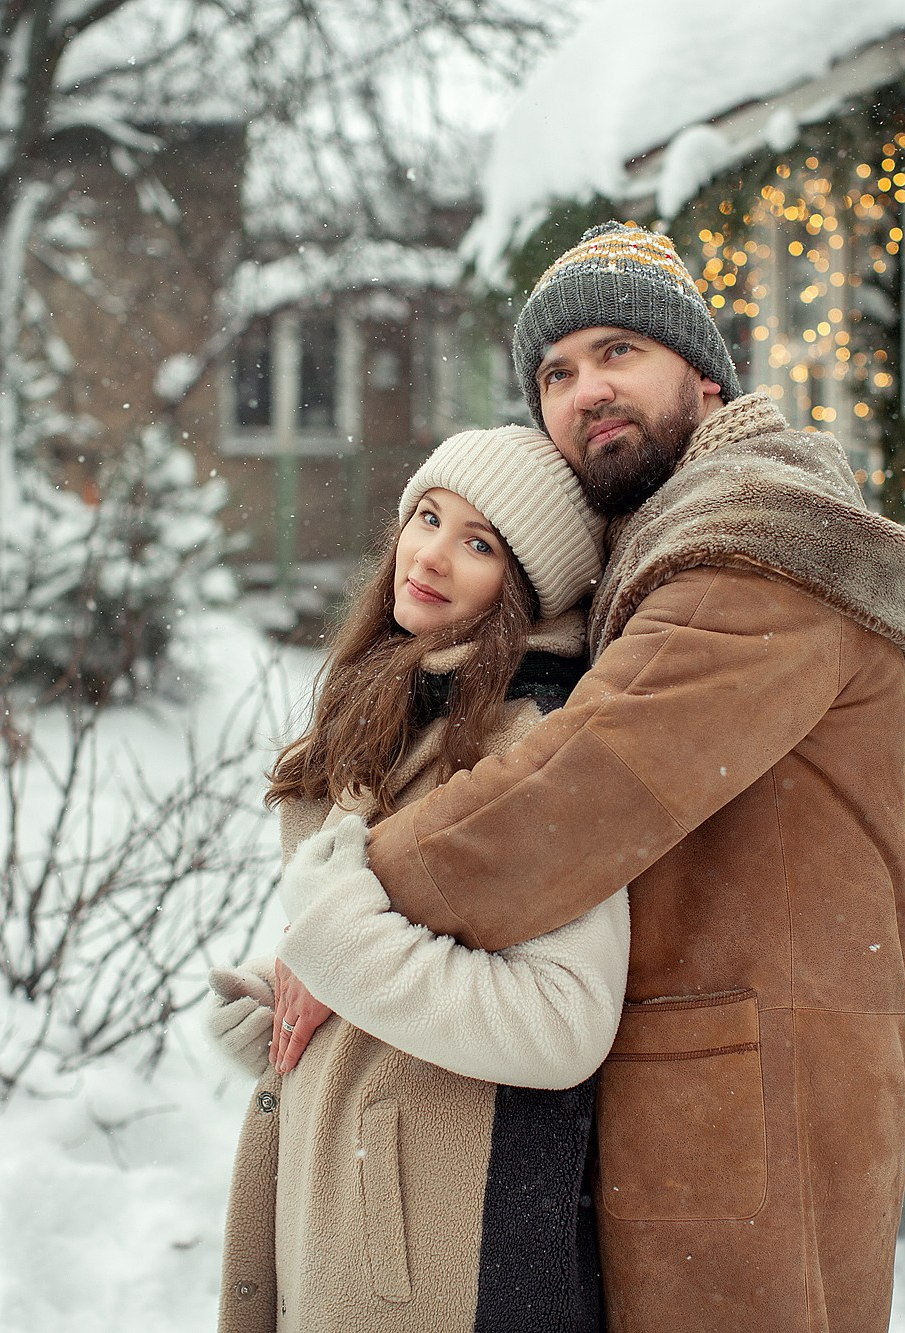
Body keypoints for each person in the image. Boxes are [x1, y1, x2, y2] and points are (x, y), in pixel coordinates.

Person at [276, 221, 905, 1332]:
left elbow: (583, 785)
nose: (585, 388)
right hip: (708, 1086)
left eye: (616, 353)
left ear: (701, 371)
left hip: (754, 1101)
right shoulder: (668, 547)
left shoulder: (760, 550)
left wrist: (343, 910)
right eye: (556, 372)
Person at [205, 425, 627, 1333]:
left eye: (478, 543)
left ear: (527, 587)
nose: (430, 553)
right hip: (354, 1227)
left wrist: (338, 954)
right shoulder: (395, 697)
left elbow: (562, 1024)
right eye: (427, 517)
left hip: (453, 1267)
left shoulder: (535, 743)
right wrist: (291, 1008)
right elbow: (391, 943)